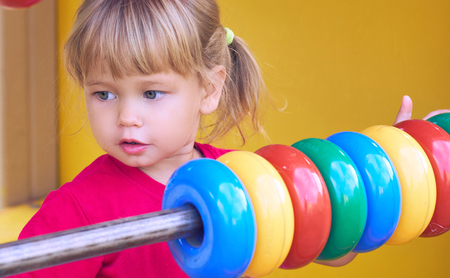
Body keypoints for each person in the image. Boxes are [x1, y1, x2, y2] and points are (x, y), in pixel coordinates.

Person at [8, 0, 448, 276]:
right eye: (103, 93)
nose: (126, 117)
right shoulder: (79, 210)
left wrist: (400, 169)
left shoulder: (243, 180)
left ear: (209, 89)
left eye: (152, 93)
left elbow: (332, 248)